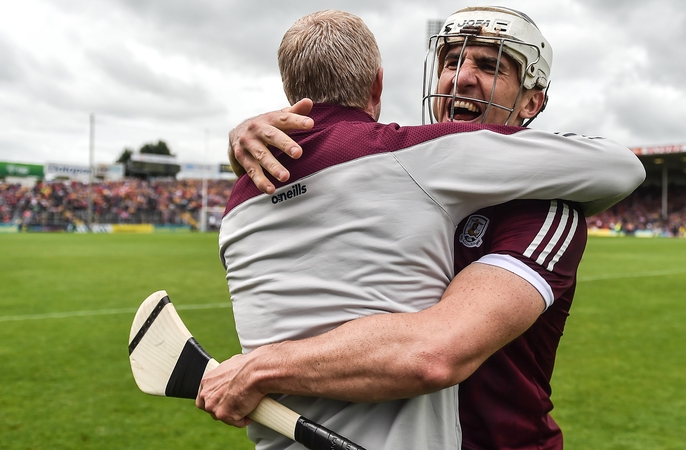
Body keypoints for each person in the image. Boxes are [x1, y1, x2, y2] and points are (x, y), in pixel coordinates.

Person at [198, 8, 644, 450]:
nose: (462, 78)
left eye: (489, 66)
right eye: (451, 62)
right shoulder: (407, 170)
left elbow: (433, 352)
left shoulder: (545, 214)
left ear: (531, 102)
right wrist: (247, 139)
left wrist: (261, 366)